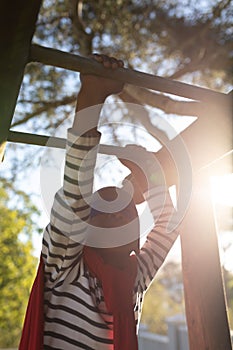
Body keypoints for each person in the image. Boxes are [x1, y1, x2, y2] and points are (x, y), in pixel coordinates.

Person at [19, 54, 179, 350]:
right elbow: (74, 195)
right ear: (85, 229)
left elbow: (168, 226)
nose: (116, 215)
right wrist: (91, 96)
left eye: (124, 211)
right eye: (102, 211)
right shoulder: (66, 264)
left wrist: (149, 170)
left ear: (136, 238)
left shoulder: (134, 276)